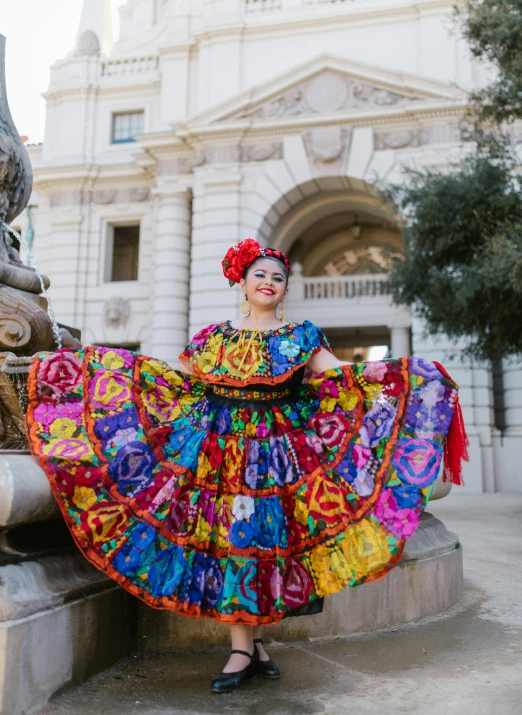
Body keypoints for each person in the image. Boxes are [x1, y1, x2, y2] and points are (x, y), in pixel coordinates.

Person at [26, 238, 468, 693]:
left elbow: (338, 373)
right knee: (236, 543)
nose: (269, 282)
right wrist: (98, 370)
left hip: (277, 458)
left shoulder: (301, 336)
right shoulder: (215, 338)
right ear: (242, 280)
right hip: (221, 459)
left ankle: (252, 647)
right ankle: (243, 648)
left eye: (278, 277)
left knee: (263, 545)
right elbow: (182, 382)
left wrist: (408, 378)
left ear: (284, 289)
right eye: (260, 274)